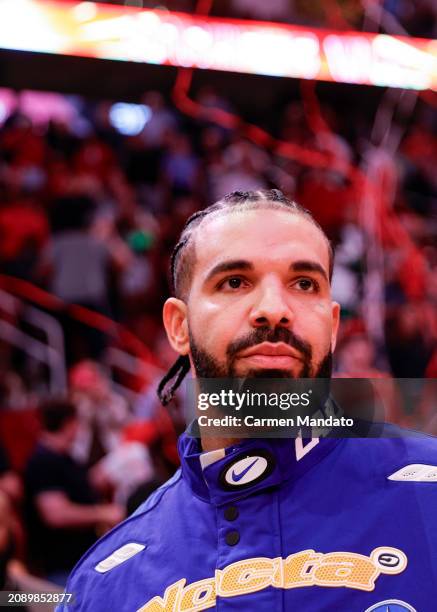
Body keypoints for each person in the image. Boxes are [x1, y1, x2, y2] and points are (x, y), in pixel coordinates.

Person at [60, 190, 437, 611]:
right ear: (179, 326)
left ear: (332, 327)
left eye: (304, 283)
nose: (274, 309)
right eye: (235, 282)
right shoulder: (104, 586)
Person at [24, 398, 124, 586]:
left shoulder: (66, 459)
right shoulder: (43, 462)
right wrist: (103, 513)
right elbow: (56, 514)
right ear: (70, 424)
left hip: (84, 562)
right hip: (64, 570)